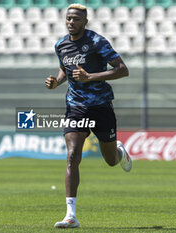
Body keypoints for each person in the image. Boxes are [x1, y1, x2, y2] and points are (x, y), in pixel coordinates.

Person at [45, 4, 132, 228]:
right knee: (73, 155)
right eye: (68, 18)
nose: (71, 22)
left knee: (110, 161)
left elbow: (122, 69)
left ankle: (119, 152)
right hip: (76, 107)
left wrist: (90, 77)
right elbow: (65, 68)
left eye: (76, 19)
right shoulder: (60, 45)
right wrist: (57, 81)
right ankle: (70, 215)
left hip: (101, 106)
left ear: (85, 22)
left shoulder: (97, 42)